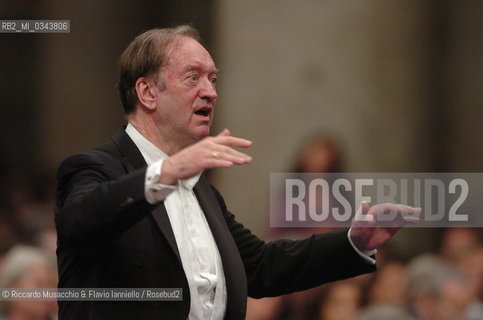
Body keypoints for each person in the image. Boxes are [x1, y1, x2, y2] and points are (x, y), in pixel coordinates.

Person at [55, 25, 420, 320]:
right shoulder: (94, 168)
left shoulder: (201, 190)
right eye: (193, 77)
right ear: (148, 92)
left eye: (213, 79)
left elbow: (261, 267)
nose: (210, 92)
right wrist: (168, 171)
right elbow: (83, 222)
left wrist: (355, 240)